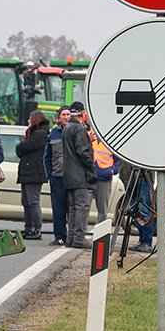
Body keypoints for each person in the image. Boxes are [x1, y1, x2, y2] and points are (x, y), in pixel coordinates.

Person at [61, 102, 96, 249]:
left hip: (69, 174)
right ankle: (80, 237)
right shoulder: (79, 129)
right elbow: (82, 151)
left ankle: (71, 237)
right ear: (83, 114)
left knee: (74, 207)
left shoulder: (67, 128)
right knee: (82, 207)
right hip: (81, 174)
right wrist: (91, 164)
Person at [15, 110, 50, 240]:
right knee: (26, 202)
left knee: (33, 202)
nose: (28, 121)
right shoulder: (33, 133)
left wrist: (21, 146)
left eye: (30, 118)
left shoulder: (40, 134)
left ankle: (36, 228)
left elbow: (25, 147)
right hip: (28, 171)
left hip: (34, 172)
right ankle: (28, 228)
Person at [42, 106, 70, 246]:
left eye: (68, 114)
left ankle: (72, 236)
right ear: (59, 117)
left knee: (73, 209)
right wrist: (50, 175)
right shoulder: (54, 133)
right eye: (63, 114)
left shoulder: (76, 131)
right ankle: (60, 236)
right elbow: (47, 156)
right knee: (58, 209)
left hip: (72, 178)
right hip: (57, 177)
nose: (66, 117)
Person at [89, 130, 119, 224]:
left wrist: (112, 170)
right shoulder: (88, 135)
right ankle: (81, 235)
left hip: (104, 178)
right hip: (88, 177)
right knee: (83, 208)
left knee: (102, 209)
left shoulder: (112, 138)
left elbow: (118, 160)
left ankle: (99, 235)